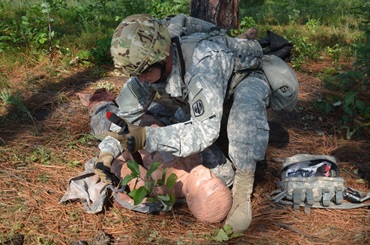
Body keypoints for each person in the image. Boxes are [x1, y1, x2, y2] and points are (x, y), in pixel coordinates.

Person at [95, 13, 271, 233]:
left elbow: (204, 132)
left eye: (144, 72)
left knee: (244, 113)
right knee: (207, 155)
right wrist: (107, 152)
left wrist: (149, 137)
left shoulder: (205, 61)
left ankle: (243, 192)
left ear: (164, 56)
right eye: (135, 74)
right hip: (209, 97)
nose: (140, 79)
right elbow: (125, 115)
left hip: (243, 82)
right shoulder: (148, 68)